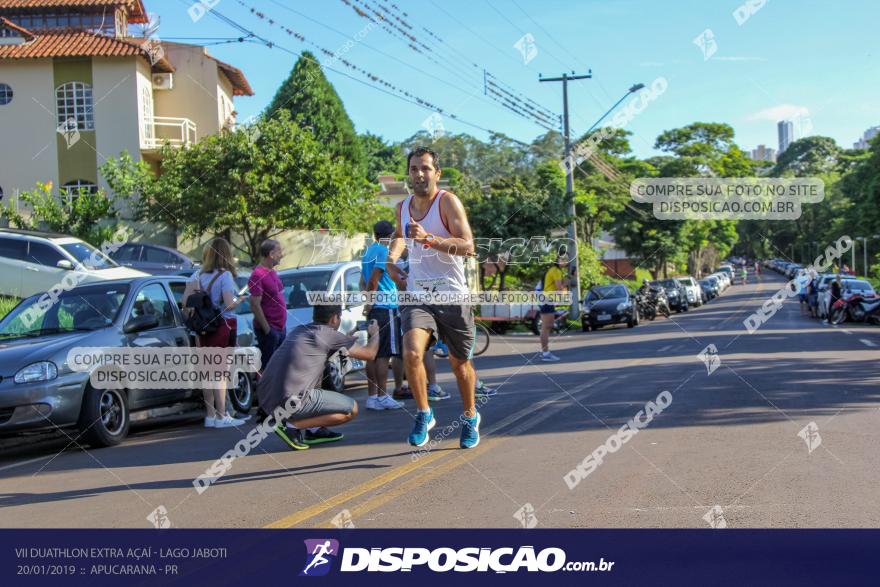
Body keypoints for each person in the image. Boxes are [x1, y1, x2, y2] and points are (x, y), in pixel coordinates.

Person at [386, 146, 481, 449]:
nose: (419, 174)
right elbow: (399, 238)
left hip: (452, 295)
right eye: (414, 168)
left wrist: (429, 238)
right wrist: (391, 261)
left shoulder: (447, 202)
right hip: (418, 295)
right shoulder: (402, 207)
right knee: (412, 352)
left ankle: (469, 416)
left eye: (425, 168)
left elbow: (468, 246)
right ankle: (424, 413)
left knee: (459, 364)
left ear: (437, 173)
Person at [257, 305, 379, 450]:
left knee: (318, 370)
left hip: (266, 398)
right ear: (335, 318)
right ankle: (291, 427)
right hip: (290, 401)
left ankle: (314, 430)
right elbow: (370, 354)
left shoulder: (299, 330)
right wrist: (375, 333)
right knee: (351, 409)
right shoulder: (330, 335)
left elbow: (325, 347)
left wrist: (347, 338)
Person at [183, 237, 247, 429]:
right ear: (226, 254)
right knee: (220, 373)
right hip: (222, 325)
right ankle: (222, 416)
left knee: (207, 373)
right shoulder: (225, 276)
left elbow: (186, 304)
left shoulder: (196, 276)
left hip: (202, 329)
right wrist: (241, 299)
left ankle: (210, 415)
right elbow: (228, 304)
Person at [361, 220, 404, 411]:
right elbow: (373, 280)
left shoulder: (369, 251)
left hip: (376, 307)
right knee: (383, 355)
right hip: (385, 307)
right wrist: (371, 301)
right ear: (389, 236)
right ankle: (383, 396)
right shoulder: (383, 251)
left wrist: (368, 302)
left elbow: (364, 280)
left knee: (372, 353)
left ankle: (372, 397)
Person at [249, 239, 287, 372]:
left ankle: (278, 392)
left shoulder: (272, 272)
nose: (282, 255)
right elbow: (254, 304)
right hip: (270, 330)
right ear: (271, 254)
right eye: (279, 251)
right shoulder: (257, 275)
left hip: (280, 328)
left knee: (280, 368)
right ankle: (266, 392)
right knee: (268, 368)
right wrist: (268, 330)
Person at [539, 254, 569, 362]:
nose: (565, 261)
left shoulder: (556, 270)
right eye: (563, 259)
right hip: (547, 299)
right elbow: (559, 287)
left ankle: (545, 352)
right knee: (546, 327)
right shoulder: (556, 271)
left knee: (547, 326)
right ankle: (545, 353)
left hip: (547, 299)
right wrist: (566, 282)